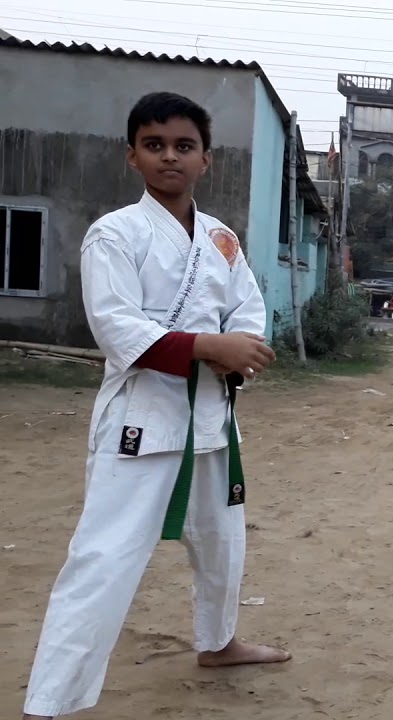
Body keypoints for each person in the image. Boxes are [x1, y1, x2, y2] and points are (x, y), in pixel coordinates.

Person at [21, 92, 290, 720]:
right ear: (132, 156)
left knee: (222, 543)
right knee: (104, 558)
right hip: (141, 419)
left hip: (211, 415)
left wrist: (237, 351)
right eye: (155, 145)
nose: (170, 156)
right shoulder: (114, 234)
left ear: (206, 160)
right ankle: (49, 701)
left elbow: (247, 310)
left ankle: (219, 643)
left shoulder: (221, 239)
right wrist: (208, 346)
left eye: (184, 146)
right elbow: (117, 328)